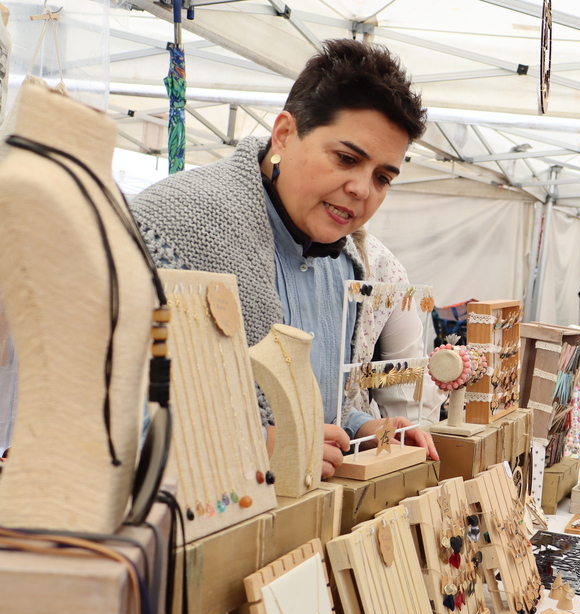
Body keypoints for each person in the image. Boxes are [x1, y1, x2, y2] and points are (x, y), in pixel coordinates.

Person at [133, 39, 438, 479]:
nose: (362, 189)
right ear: (283, 135)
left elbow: (321, 405)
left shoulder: (345, 261)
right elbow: (109, 401)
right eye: (346, 158)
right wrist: (257, 445)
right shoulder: (172, 224)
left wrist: (362, 428)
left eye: (382, 177)